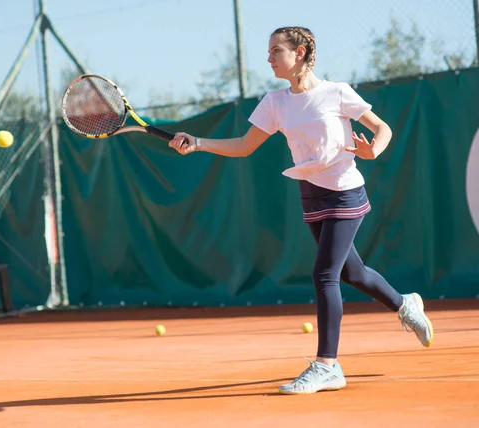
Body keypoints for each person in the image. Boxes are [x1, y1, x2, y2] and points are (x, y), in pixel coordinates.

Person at [168, 26, 434, 395]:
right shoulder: (275, 103)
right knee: (352, 273)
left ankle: (328, 365)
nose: (270, 58)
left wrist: (374, 149)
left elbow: (382, 128)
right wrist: (197, 143)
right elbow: (245, 146)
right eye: (269, 51)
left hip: (344, 193)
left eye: (277, 50)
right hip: (311, 197)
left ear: (302, 52)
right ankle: (405, 304)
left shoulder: (337, 92)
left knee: (324, 275)